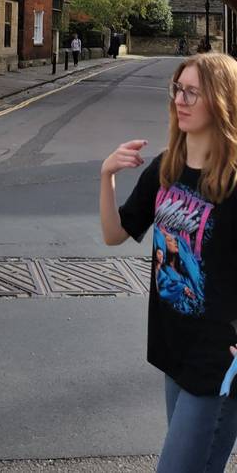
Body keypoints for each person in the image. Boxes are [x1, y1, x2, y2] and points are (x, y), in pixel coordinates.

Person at [100, 52, 237, 473]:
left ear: (222, 101)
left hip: (216, 361)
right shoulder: (165, 169)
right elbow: (114, 233)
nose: (181, 99)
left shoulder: (234, 181)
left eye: (193, 91)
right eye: (178, 89)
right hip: (171, 346)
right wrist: (105, 176)